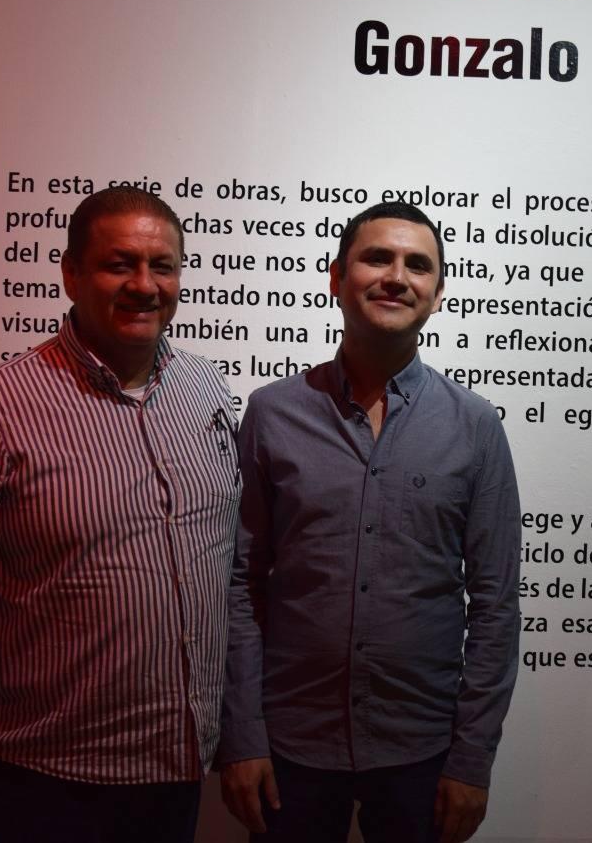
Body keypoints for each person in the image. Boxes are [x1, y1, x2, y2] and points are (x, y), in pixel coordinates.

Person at [0, 188, 241, 843]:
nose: (144, 285)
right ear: (71, 274)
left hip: (174, 785)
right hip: (40, 790)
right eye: (119, 264)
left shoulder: (205, 389)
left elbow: (228, 575)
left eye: (162, 266)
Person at [219, 201, 521, 843]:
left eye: (418, 265)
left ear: (438, 293)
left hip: (423, 748)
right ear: (336, 277)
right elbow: (240, 584)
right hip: (291, 744)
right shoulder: (272, 414)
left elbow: (496, 606)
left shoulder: (475, 426)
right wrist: (241, 736)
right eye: (377, 258)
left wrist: (472, 758)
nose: (396, 277)